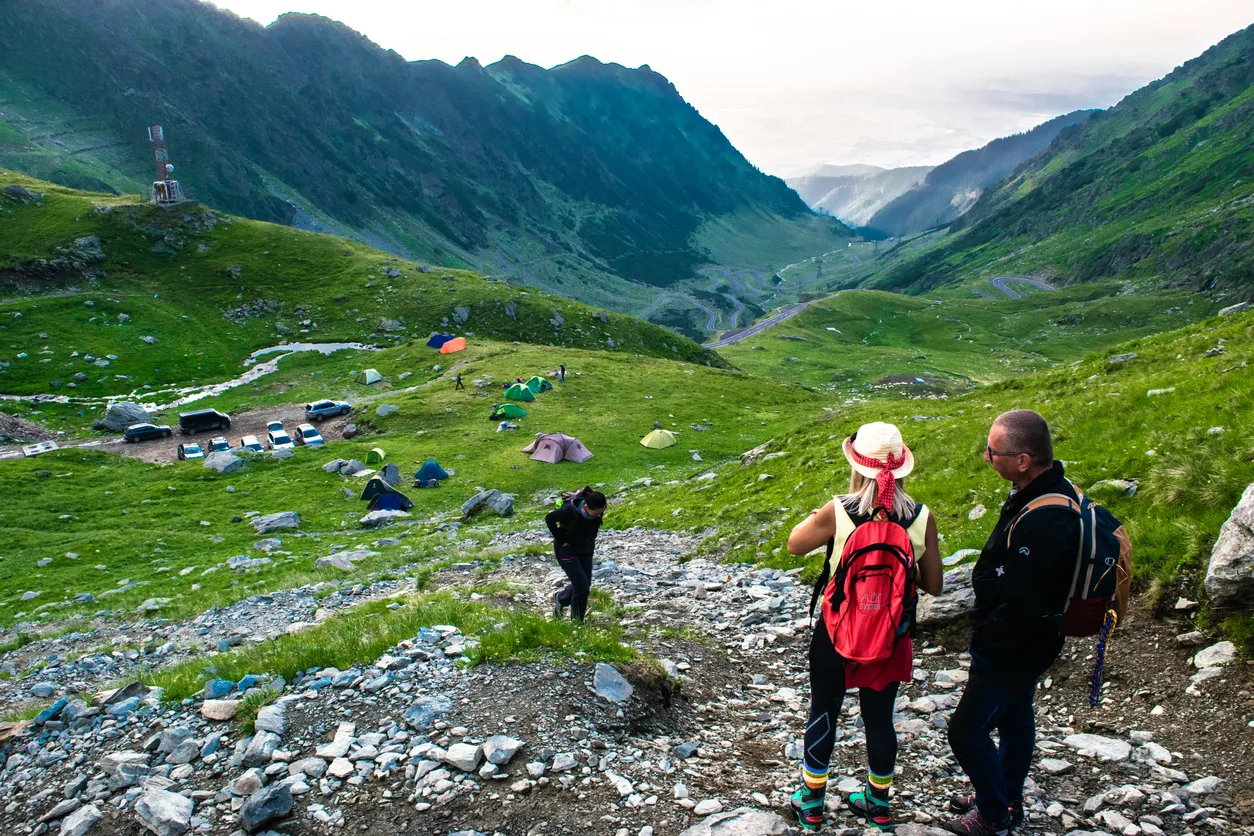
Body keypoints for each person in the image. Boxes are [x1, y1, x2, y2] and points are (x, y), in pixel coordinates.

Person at [786, 422, 942, 832]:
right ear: (903, 468)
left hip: (838, 630)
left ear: (857, 465)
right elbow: (935, 585)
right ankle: (877, 805)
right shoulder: (921, 516)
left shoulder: (839, 510)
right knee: (880, 718)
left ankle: (813, 801)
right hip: (891, 634)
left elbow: (794, 544)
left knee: (824, 709)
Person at [942, 410, 1080, 836]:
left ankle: (993, 815)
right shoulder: (1047, 490)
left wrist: (989, 637)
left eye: (993, 451)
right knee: (1016, 716)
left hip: (1015, 643)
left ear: (1023, 459)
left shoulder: (1046, 518)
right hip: (1035, 638)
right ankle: (1006, 795)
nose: (987, 457)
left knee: (965, 732)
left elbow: (1024, 598)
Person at [546, 487, 607, 621]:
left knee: (585, 584)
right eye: (595, 513)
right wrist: (561, 539)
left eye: (601, 512)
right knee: (582, 588)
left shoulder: (599, 508)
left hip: (586, 548)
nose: (598, 515)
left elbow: (594, 525)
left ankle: (561, 599)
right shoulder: (569, 511)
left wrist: (591, 540)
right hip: (567, 550)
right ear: (586, 506)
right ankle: (577, 623)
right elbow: (549, 518)